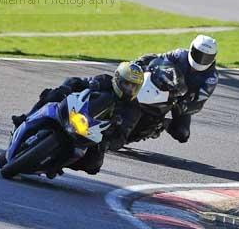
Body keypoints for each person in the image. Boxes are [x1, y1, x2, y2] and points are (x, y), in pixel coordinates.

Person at [8, 61, 144, 176]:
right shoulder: (104, 81)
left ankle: (56, 164)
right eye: (127, 84)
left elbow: (122, 137)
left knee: (93, 165)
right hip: (77, 114)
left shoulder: (134, 109)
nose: (130, 89)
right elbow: (79, 82)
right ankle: (25, 118)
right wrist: (68, 87)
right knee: (53, 94)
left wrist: (108, 142)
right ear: (117, 79)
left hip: (95, 134)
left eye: (134, 86)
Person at [135, 34, 218, 143]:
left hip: (180, 101)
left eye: (206, 58)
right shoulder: (179, 54)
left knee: (182, 134)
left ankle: (162, 124)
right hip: (161, 86)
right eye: (198, 55)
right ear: (191, 49)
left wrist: (184, 106)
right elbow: (158, 58)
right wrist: (139, 62)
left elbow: (199, 102)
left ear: (213, 58)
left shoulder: (211, 77)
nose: (201, 60)